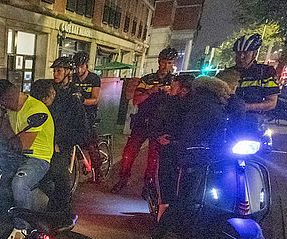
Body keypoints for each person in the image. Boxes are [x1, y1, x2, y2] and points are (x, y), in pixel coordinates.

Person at [144, 75, 237, 239]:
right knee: (182, 201)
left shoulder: (192, 103)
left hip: (186, 156)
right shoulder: (212, 107)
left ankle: (160, 235)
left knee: (178, 198)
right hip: (195, 159)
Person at [0, 79, 55, 239]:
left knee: (19, 183)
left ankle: (22, 228)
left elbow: (22, 144)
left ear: (11, 95)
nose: (3, 106)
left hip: (38, 158)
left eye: (3, 102)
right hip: (18, 155)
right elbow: (0, 129)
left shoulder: (35, 110)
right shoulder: (11, 109)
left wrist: (3, 126)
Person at [112, 47, 178, 193]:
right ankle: (123, 179)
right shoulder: (147, 79)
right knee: (129, 153)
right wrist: (151, 91)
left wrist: (171, 92)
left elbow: (179, 102)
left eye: (169, 63)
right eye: (163, 62)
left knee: (153, 158)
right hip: (143, 121)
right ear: (158, 61)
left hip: (161, 124)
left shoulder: (175, 81)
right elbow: (136, 100)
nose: (165, 66)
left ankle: (148, 185)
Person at [148, 74, 195, 220]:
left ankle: (163, 221)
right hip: (175, 149)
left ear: (183, 89)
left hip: (174, 150)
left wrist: (161, 137)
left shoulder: (176, 104)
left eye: (174, 85)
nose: (170, 87)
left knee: (167, 185)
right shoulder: (173, 102)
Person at [48, 56, 85, 225]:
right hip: (45, 137)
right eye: (54, 70)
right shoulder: (49, 88)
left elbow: (76, 125)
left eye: (59, 71)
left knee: (59, 173)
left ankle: (64, 213)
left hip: (61, 141)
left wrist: (61, 142)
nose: (55, 74)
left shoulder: (73, 96)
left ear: (68, 73)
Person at [230, 33, 279, 133]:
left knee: (263, 144)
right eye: (238, 54)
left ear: (254, 54)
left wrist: (247, 107)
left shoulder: (265, 73)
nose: (241, 57)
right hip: (227, 119)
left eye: (245, 53)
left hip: (252, 122)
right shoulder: (227, 73)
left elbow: (272, 102)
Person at [71, 51, 104, 181]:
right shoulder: (72, 78)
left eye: (81, 66)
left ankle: (98, 170)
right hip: (75, 113)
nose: (79, 70)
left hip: (89, 113)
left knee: (90, 142)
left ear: (86, 65)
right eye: (77, 67)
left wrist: (83, 101)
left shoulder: (94, 78)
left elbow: (95, 99)